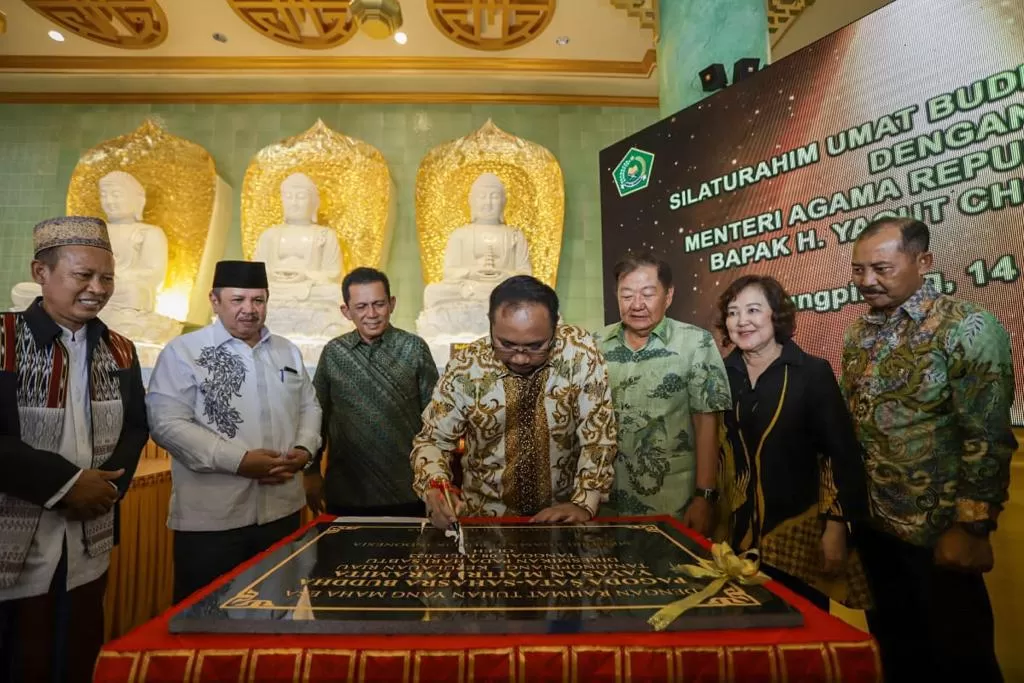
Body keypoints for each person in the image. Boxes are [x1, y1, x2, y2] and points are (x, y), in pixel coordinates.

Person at [843, 217, 1015, 682]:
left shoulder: (968, 327)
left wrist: (972, 527)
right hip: (874, 529)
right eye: (858, 270)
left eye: (880, 268)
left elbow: (987, 434)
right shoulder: (859, 335)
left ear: (924, 262)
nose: (867, 281)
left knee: (960, 660)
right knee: (896, 655)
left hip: (937, 534)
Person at [0, 216, 148, 683]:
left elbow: (135, 428)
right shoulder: (4, 339)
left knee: (78, 650)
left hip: (89, 531)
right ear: (41, 273)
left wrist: (102, 491)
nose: (97, 288)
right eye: (83, 275)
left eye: (106, 278)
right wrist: (65, 484)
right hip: (13, 530)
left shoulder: (119, 348)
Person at [147, 260, 322, 603]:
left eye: (258, 300)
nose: (249, 310)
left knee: (276, 611)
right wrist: (239, 461)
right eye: (238, 300)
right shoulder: (184, 352)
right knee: (207, 615)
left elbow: (309, 406)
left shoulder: (286, 350)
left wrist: (304, 450)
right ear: (215, 301)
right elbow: (167, 424)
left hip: (281, 511)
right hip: (212, 519)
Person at [411, 275, 618, 528]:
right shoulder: (466, 367)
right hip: (484, 521)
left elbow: (598, 430)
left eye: (535, 346)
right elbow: (433, 440)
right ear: (490, 326)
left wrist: (585, 501)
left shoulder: (580, 352)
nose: (520, 359)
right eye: (506, 345)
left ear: (555, 328)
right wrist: (435, 487)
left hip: (562, 518)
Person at [715, 274, 869, 611]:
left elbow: (839, 454)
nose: (742, 321)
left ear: (776, 315)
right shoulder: (719, 375)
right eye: (732, 312)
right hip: (731, 543)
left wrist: (836, 528)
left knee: (803, 638)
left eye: (753, 310)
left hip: (796, 541)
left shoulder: (811, 372)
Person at [598, 253, 731, 535]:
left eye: (648, 294)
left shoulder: (696, 343)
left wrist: (704, 496)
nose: (637, 305)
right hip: (605, 506)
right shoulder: (595, 346)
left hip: (672, 504)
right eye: (626, 295)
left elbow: (707, 423)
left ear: (668, 296)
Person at [308, 267, 438, 517]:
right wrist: (311, 471)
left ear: (392, 304)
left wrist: (435, 479)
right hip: (347, 491)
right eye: (361, 306)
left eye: (379, 304)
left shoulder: (414, 348)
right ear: (346, 311)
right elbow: (317, 416)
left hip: (408, 490)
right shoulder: (334, 352)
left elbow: (435, 418)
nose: (372, 314)